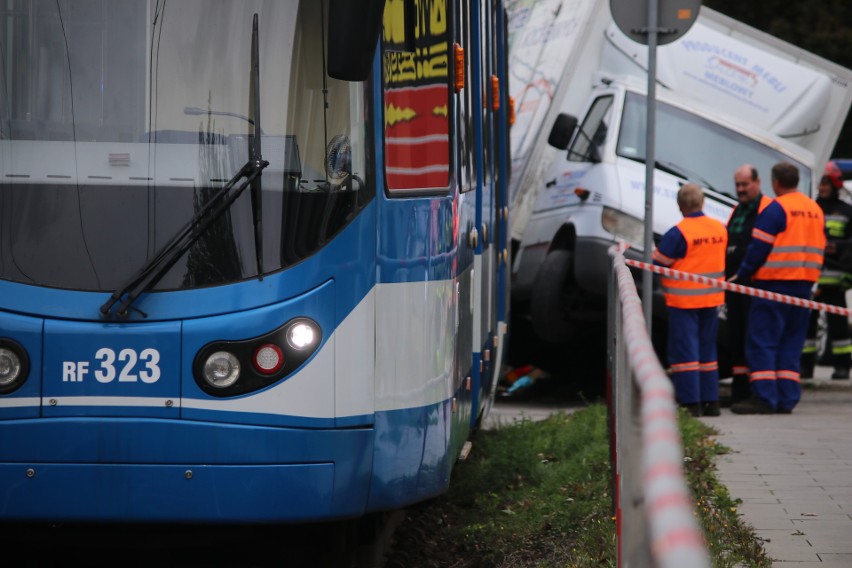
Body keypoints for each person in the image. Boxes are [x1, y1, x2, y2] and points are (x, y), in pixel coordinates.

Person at [730, 162, 826, 414]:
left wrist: (743, 275)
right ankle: (786, 397)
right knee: (791, 342)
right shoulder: (815, 209)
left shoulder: (777, 208)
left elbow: (758, 248)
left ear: (774, 183)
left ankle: (764, 397)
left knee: (762, 340)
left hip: (774, 284)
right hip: (804, 286)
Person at [652, 183, 728, 417]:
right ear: (702, 202)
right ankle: (711, 402)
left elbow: (658, 264)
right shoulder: (720, 229)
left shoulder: (679, 232)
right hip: (712, 300)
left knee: (685, 354)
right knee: (707, 353)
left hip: (683, 303)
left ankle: (689, 404)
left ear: (680, 205)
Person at [724, 165, 772, 404]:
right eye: (738, 185)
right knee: (737, 336)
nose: (741, 190)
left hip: (755, 284)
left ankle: (756, 392)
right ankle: (740, 391)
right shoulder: (737, 210)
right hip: (734, 284)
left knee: (754, 337)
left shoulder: (766, 209)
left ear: (757, 182)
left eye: (745, 184)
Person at [800, 162, 852, 380]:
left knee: (838, 326)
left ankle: (842, 367)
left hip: (835, 278)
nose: (822, 187)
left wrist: (836, 249)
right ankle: (805, 368)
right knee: (807, 327)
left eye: (826, 182)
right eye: (820, 182)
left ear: (835, 184)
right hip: (811, 277)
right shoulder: (810, 208)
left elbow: (850, 245)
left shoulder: (846, 211)